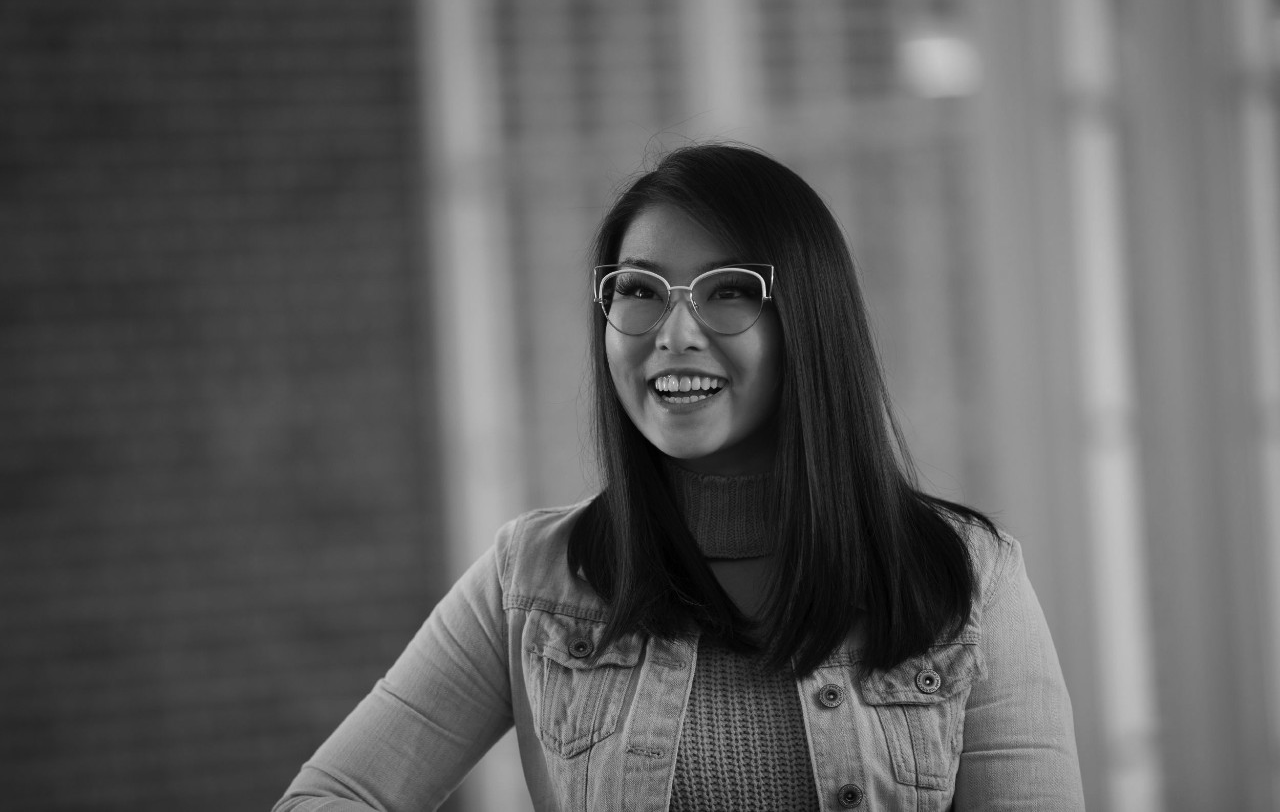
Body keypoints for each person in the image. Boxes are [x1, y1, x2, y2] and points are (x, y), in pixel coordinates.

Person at [274, 144, 1084, 811]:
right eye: (639, 290)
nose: (675, 332)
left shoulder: (969, 576)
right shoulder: (534, 577)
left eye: (730, 291)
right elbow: (334, 793)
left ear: (808, 319)